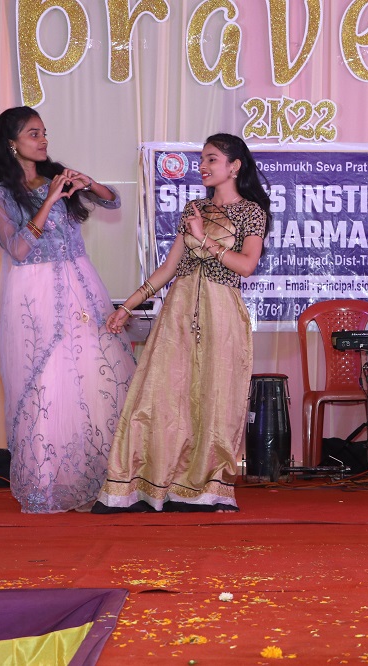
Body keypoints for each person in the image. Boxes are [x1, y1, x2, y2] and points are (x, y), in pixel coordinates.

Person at [0, 106, 135, 514]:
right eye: (33, 133)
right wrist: (48, 201)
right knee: (48, 380)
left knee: (94, 375)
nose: (43, 140)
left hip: (80, 285)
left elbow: (113, 202)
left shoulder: (55, 177)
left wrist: (85, 182)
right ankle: (48, 484)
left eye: (44, 132)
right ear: (12, 143)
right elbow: (18, 249)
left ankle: (103, 479)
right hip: (35, 292)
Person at [94, 133, 270, 513]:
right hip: (179, 311)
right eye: (202, 160)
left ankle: (204, 490)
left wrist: (204, 240)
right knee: (161, 394)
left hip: (221, 313)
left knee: (215, 398)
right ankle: (145, 486)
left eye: (211, 159)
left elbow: (246, 265)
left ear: (234, 166)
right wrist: (128, 306)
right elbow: (169, 268)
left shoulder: (251, 212)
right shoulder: (194, 208)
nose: (202, 166)